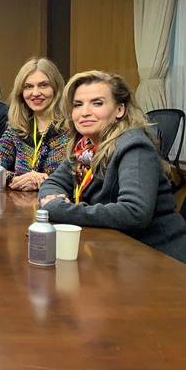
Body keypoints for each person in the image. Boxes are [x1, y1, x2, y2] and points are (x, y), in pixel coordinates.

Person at [38, 71, 186, 261]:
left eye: (97, 103)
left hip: (159, 258)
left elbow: (134, 213)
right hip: (115, 251)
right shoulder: (86, 147)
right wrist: (54, 202)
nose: (84, 112)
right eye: (78, 105)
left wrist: (62, 210)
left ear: (120, 110)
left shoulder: (134, 146)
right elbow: (52, 183)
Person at [0, 58, 71, 190]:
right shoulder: (17, 129)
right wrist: (12, 178)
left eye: (43, 85)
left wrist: (45, 181)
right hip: (21, 206)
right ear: (21, 93)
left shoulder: (72, 130)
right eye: (28, 86)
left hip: (56, 206)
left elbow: (78, 180)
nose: (35, 93)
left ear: (56, 88)